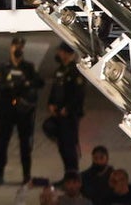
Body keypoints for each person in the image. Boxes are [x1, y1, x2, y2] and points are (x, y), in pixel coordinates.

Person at [0, 36, 45, 186]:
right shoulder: (4, 67)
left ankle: (26, 175)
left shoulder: (28, 67)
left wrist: (26, 83)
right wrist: (12, 86)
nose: (17, 49)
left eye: (20, 46)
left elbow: (39, 82)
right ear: (11, 47)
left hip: (24, 111)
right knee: (2, 143)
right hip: (7, 110)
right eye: (15, 46)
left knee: (25, 145)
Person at [46, 43, 85, 177]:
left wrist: (68, 108)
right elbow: (55, 89)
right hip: (58, 113)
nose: (58, 54)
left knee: (69, 145)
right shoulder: (60, 70)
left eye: (61, 52)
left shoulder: (75, 72)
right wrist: (50, 103)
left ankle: (72, 174)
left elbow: (78, 94)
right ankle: (67, 174)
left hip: (69, 115)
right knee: (60, 142)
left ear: (68, 54)